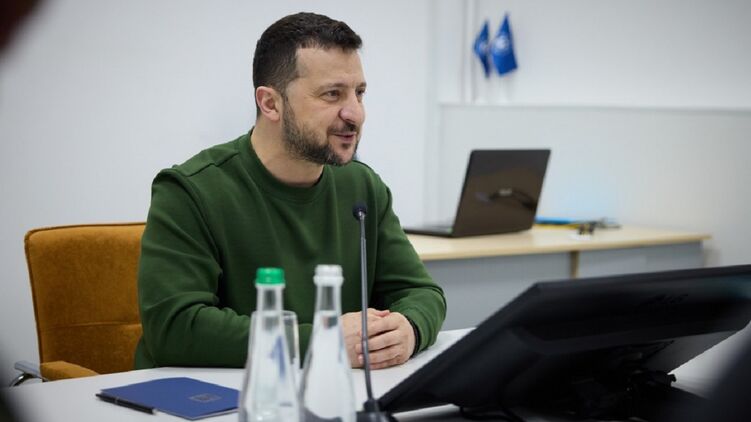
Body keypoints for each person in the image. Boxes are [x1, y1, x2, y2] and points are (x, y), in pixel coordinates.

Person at [135, 12, 446, 371]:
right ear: (270, 103)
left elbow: (422, 293)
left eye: (359, 93)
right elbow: (175, 329)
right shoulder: (190, 190)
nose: (355, 114)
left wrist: (409, 329)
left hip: (333, 391)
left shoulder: (362, 187)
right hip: (215, 396)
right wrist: (324, 342)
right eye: (332, 94)